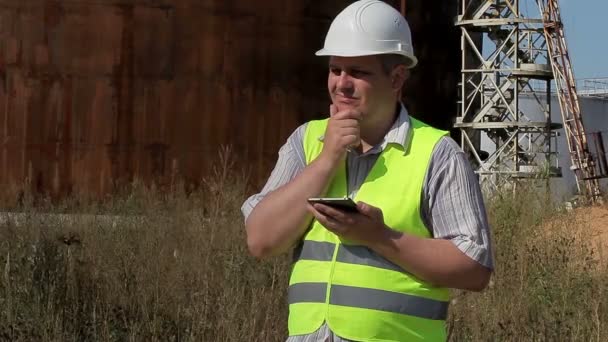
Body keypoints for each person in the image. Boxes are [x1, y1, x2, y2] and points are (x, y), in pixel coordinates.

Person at [241, 1, 493, 341]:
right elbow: (260, 240)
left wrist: (380, 237)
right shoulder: (307, 142)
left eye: (358, 72)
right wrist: (328, 158)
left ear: (397, 78)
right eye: (335, 69)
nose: (341, 84)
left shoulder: (437, 155)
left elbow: (474, 268)